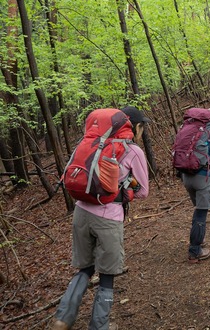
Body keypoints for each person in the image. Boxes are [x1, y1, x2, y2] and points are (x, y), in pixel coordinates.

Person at [52, 106, 150, 330]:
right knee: (107, 275)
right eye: (142, 126)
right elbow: (144, 191)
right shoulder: (132, 150)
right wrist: (127, 189)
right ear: (136, 127)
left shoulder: (91, 143)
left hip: (81, 212)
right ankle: (99, 326)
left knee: (85, 269)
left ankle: (62, 319)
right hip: (108, 217)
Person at [181, 106, 210, 264]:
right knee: (201, 214)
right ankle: (195, 251)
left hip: (186, 176)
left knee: (198, 211)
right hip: (203, 177)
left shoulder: (188, 130)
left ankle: (198, 240)